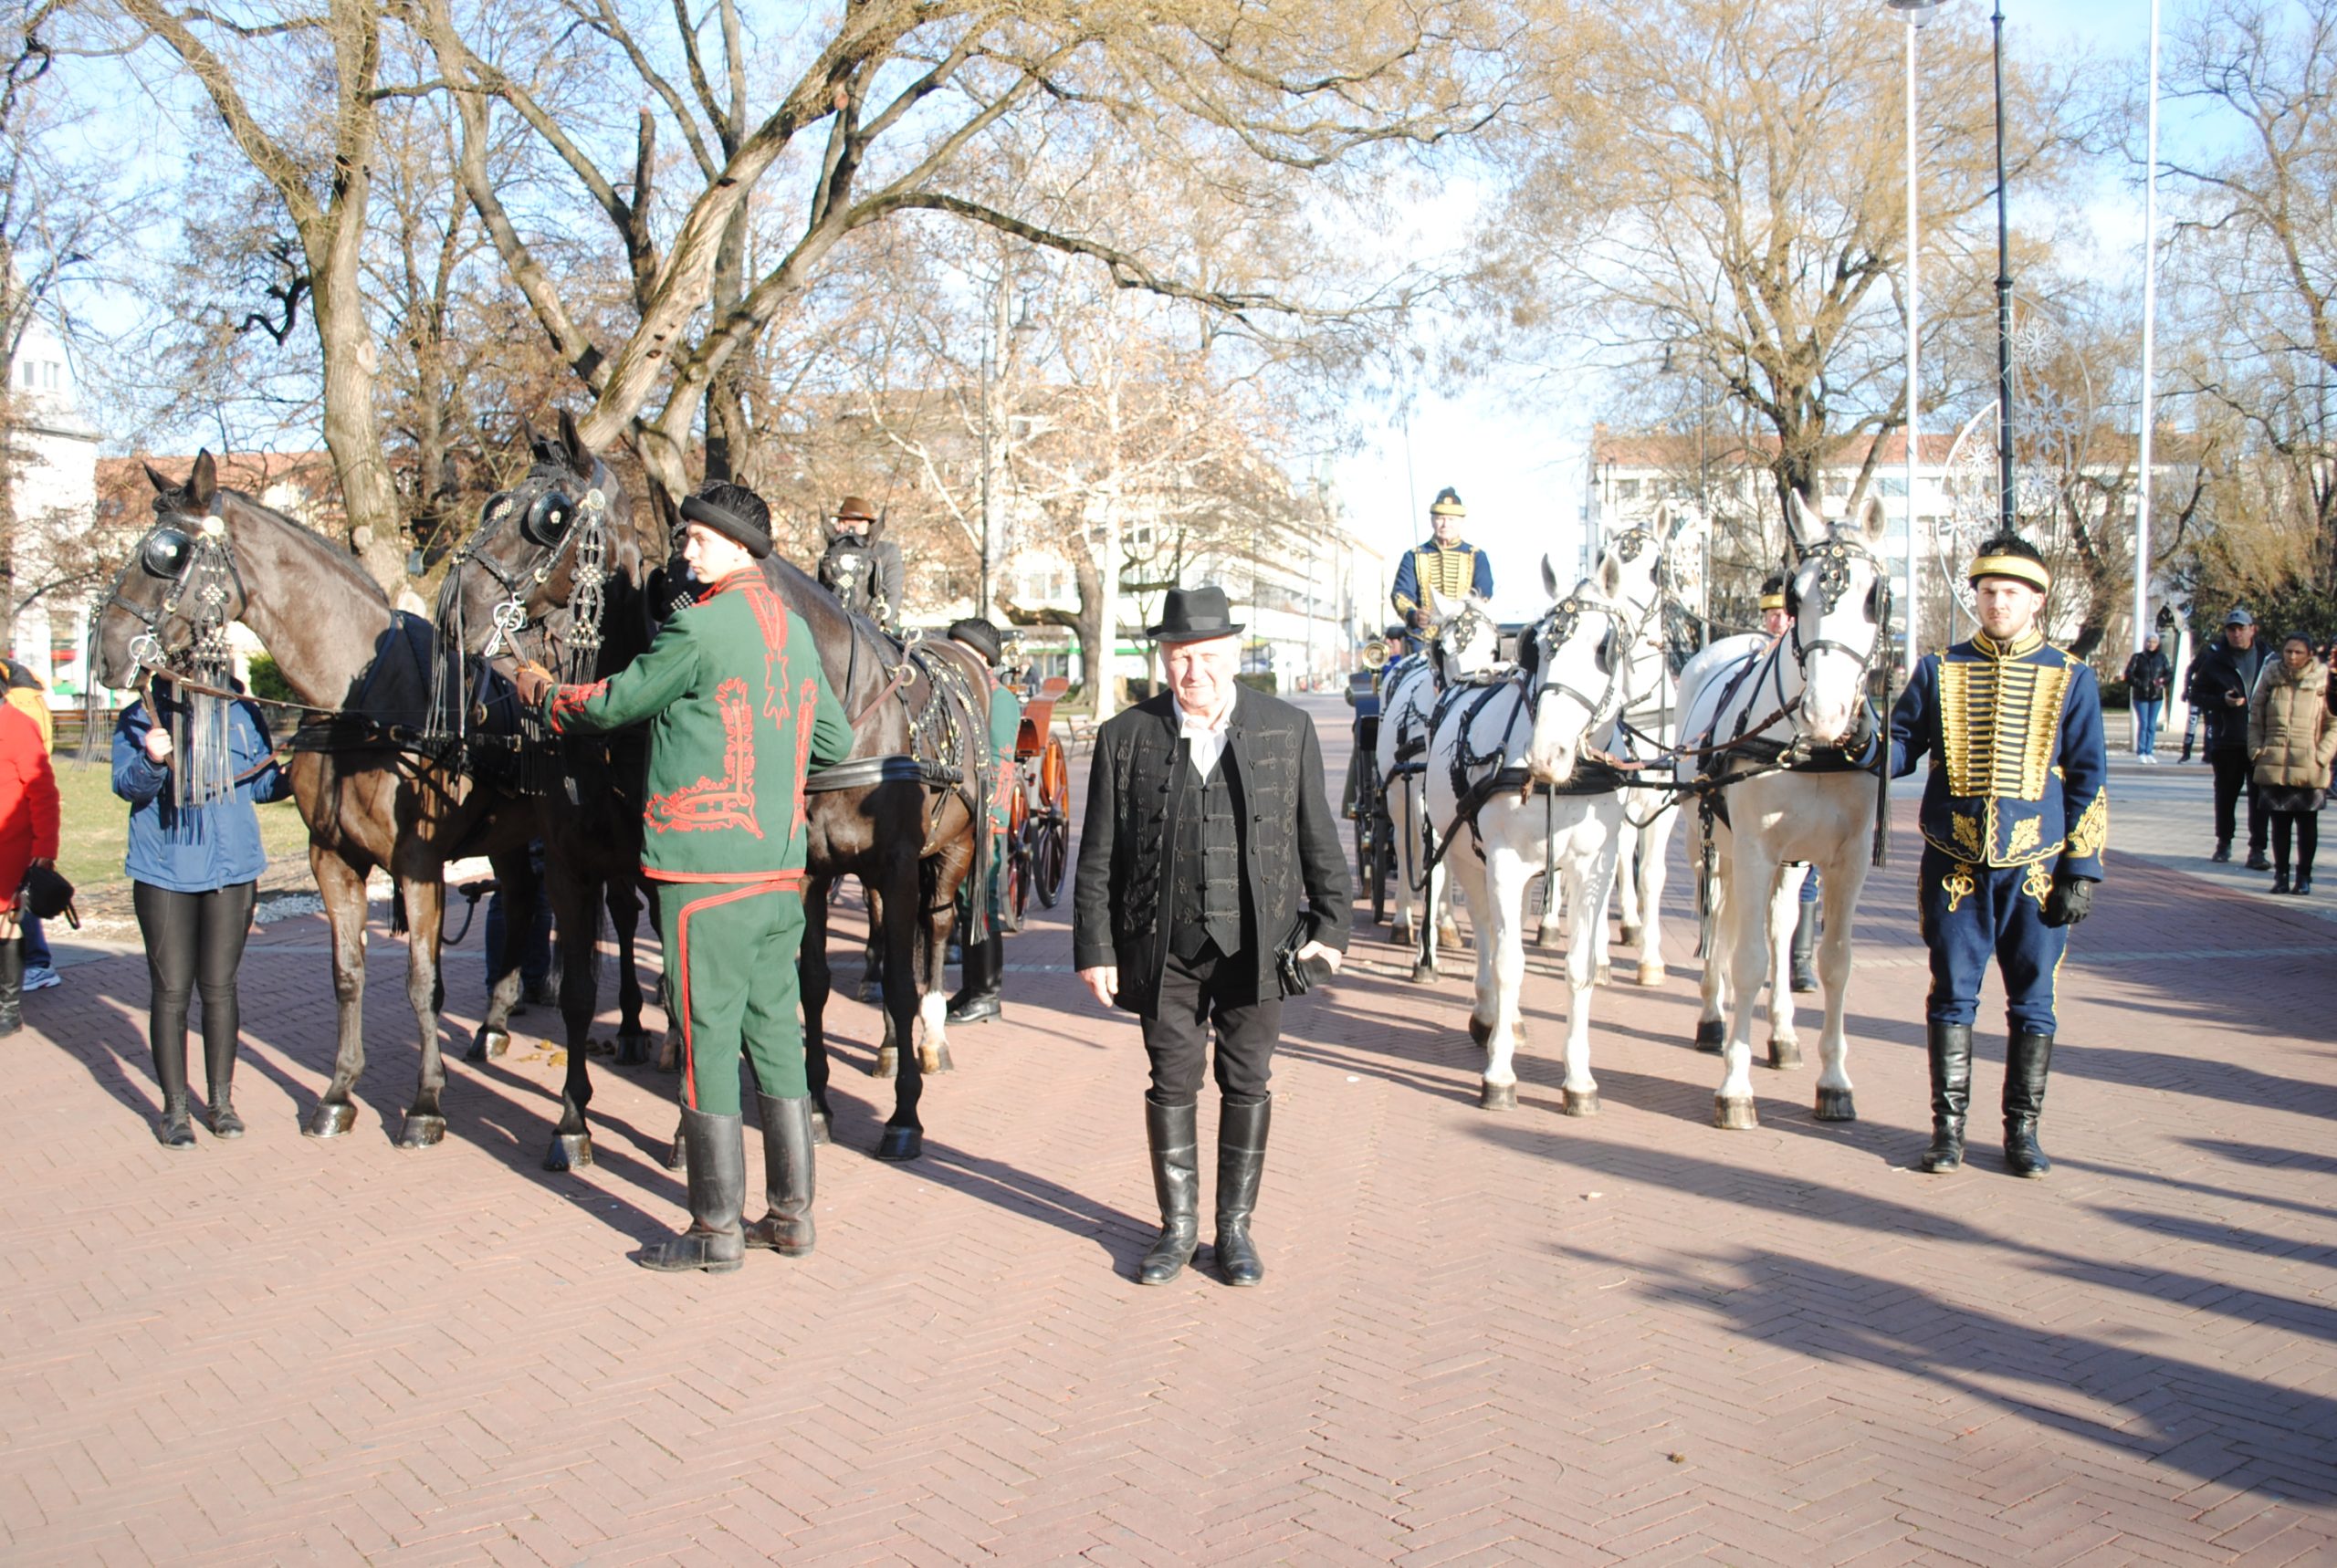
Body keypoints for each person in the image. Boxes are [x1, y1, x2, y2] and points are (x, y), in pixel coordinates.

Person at [516, 480, 854, 1272]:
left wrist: (541, 691)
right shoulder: (795, 631)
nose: (685, 550)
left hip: (704, 873)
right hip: (777, 870)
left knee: (704, 1045)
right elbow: (832, 744)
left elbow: (610, 705)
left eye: (697, 538)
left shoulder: (697, 628)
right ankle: (791, 1218)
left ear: (737, 545)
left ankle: (713, 1230)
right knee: (777, 1040)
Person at [1073, 584, 1350, 1286]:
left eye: (1205, 655)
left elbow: (1316, 836)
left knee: (1247, 1078)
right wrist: (1095, 948)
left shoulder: (1286, 728)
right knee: (1171, 1080)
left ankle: (1233, 1232)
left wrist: (1332, 927)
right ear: (1162, 659)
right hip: (1160, 946)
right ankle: (1178, 1229)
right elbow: (1099, 855)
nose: (1192, 671)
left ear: (1232, 653)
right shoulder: (1123, 737)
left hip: (1259, 945)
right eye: (1178, 657)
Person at [1888, 534, 2107, 1180]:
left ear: (2037, 600)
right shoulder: (1939, 669)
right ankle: (1947, 1132)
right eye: (1988, 592)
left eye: (2011, 593)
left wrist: (2081, 868)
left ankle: (2022, 1135)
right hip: (1954, 864)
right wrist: (1864, 746)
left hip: (2036, 867)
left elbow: (2090, 777)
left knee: (2034, 1001)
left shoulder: (2070, 676)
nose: (1997, 603)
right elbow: (1902, 747)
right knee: (1952, 995)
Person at [113, 682, 287, 1145]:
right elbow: (127, 785)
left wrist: (296, 769)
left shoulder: (241, 712)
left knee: (220, 988)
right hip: (164, 873)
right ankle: (175, 1112)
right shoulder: (141, 713)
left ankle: (220, 1102)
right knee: (170, 992)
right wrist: (151, 758)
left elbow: (262, 784)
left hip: (232, 871)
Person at [946, 616, 1021, 1025]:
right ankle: (972, 988)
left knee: (981, 903)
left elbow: (999, 764)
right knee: (961, 903)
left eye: (964, 650)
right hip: (953, 819)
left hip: (980, 820)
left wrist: (989, 822)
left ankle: (987, 994)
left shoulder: (998, 698)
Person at [1755, 574, 1822, 989]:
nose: (1777, 622)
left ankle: (1800, 961)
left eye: (1782, 614)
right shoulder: (1755, 656)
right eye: (1771, 616)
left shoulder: (1811, 656)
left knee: (1807, 872)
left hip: (1808, 776)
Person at [2247, 633, 2336, 896]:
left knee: (2307, 824)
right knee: (2279, 825)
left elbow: (2333, 724)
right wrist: (2256, 750)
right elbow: (2256, 717)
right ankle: (2281, 875)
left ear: (2309, 654)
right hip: (2274, 763)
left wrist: (2321, 755)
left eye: (2298, 652)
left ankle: (2304, 876)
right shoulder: (2271, 678)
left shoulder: (2323, 682)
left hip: (2308, 765)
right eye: (2288, 651)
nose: (2292, 657)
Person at [2189, 607, 2272, 865]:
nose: (2236, 634)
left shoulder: (2268, 659)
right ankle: (2223, 842)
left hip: (2259, 739)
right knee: (2226, 795)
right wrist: (2221, 701)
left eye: (2241, 628)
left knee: (2260, 798)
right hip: (2228, 738)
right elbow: (2196, 694)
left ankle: (2257, 849)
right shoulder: (2215, 660)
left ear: (2252, 629)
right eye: (2231, 629)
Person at [0, 659, 58, 990]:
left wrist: (45, 848)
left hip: (11, 841)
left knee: (11, 918)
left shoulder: (16, 723)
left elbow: (43, 791)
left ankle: (10, 1000)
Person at [1390, 488, 1493, 652]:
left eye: (1451, 519)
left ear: (1461, 521)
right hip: (1423, 637)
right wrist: (1414, 615)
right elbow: (1401, 594)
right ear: (1432, 520)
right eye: (1441, 518)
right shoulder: (1413, 556)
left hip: (1464, 635)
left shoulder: (1476, 556)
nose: (1446, 524)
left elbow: (1483, 594)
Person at [824, 495, 905, 630]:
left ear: (864, 523)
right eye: (841, 522)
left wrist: (885, 622)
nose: (841, 527)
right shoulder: (833, 551)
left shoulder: (887, 552)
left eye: (848, 523)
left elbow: (893, 590)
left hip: (876, 624)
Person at [2124, 634, 2172, 763]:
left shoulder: (2162, 658)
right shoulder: (2138, 657)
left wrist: (2162, 680)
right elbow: (2128, 674)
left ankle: (2149, 751)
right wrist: (2141, 684)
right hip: (2141, 696)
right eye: (2149, 641)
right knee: (2144, 723)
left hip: (2156, 695)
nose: (2151, 644)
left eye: (2154, 641)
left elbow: (2169, 674)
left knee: (2152, 724)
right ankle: (2141, 751)